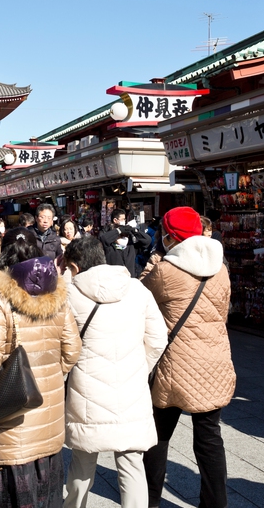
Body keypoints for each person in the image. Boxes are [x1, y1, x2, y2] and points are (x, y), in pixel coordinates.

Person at [0, 227, 81, 508]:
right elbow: (73, 349)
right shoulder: (57, 291)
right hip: (48, 403)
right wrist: (51, 371)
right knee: (47, 484)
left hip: (12, 405)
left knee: (14, 481)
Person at [140, 207, 235, 508]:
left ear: (169, 237)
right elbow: (222, 312)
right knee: (210, 437)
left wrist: (154, 261)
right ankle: (215, 502)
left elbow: (142, 298)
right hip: (215, 360)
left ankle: (150, 499)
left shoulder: (166, 270)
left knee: (158, 434)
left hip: (175, 364)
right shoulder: (221, 267)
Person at [64, 236, 166, 508]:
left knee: (82, 460)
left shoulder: (69, 294)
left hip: (86, 389)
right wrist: (141, 367)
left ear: (74, 267)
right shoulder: (137, 289)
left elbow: (62, 343)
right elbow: (157, 339)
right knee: (132, 462)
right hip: (132, 386)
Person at [99, 208, 151, 277]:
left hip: (129, 283)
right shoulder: (110, 249)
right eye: (121, 236)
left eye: (126, 236)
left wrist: (133, 230)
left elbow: (147, 240)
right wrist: (120, 230)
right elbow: (104, 239)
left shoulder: (131, 248)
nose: (124, 238)